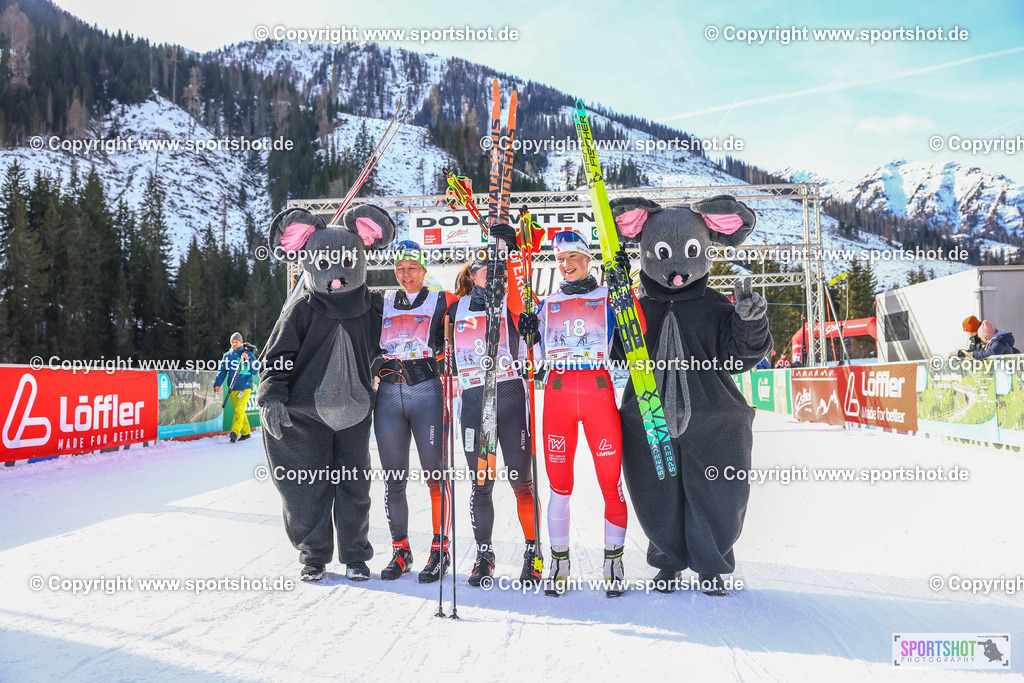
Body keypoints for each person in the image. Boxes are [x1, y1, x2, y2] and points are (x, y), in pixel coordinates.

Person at [517, 230, 627, 597]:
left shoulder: (609, 297)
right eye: (560, 260)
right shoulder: (545, 304)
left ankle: (613, 561)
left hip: (598, 394)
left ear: (587, 258)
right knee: (559, 486)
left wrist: (626, 292)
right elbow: (527, 357)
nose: (566, 266)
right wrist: (527, 334)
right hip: (560, 397)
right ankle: (559, 562)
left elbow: (632, 334)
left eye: (572, 258)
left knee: (610, 484)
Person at [446, 248, 542, 587]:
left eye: (497, 268)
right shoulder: (454, 308)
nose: (492, 272)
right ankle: (484, 556)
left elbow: (540, 339)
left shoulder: (514, 303)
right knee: (481, 484)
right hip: (474, 403)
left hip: (511, 397)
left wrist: (533, 330)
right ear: (471, 275)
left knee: (522, 483)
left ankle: (533, 553)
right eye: (484, 268)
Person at [374, 241, 457, 583]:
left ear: (424, 270)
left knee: (435, 475)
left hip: (427, 393)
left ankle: (440, 550)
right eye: (400, 269)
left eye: (412, 268)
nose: (406, 275)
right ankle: (401, 550)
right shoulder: (383, 303)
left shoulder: (442, 299)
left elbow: (477, 307)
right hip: (390, 397)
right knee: (394, 479)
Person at [214, 332, 258, 443]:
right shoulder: (227, 355)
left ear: (241, 342)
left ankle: (234, 432)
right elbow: (222, 371)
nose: (234, 344)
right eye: (232, 342)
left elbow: (255, 370)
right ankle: (246, 432)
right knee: (240, 411)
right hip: (233, 387)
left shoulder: (247, 353)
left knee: (239, 409)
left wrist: (248, 359)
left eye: (236, 342)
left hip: (245, 387)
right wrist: (217, 384)